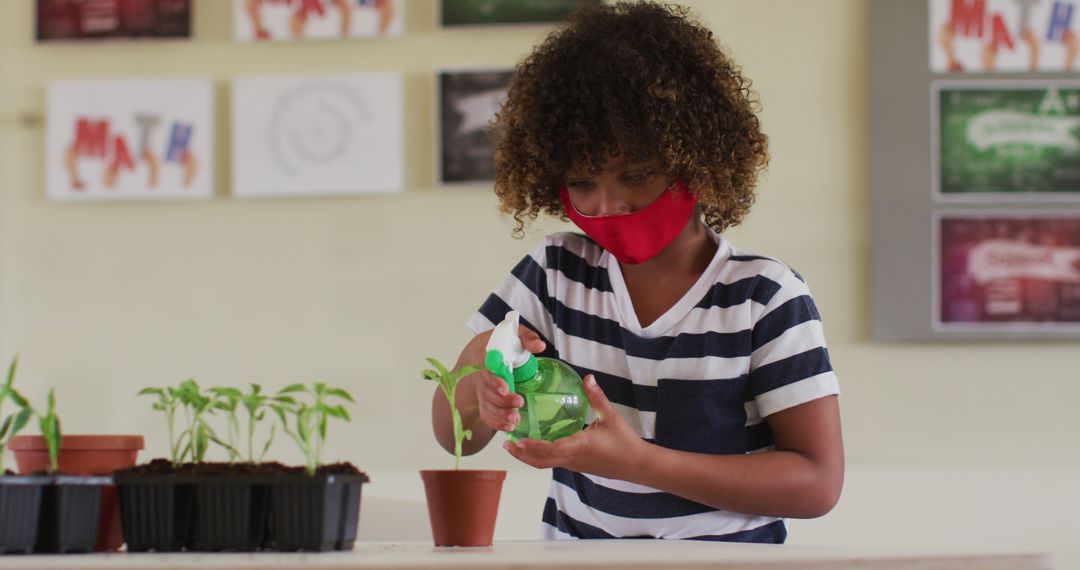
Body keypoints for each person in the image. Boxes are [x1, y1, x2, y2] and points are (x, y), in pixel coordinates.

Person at [431, 1, 843, 543]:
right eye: (581, 182)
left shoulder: (762, 296)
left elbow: (817, 483)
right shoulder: (557, 274)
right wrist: (480, 388)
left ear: (698, 160)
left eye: (638, 174)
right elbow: (454, 434)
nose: (607, 205)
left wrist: (639, 463)